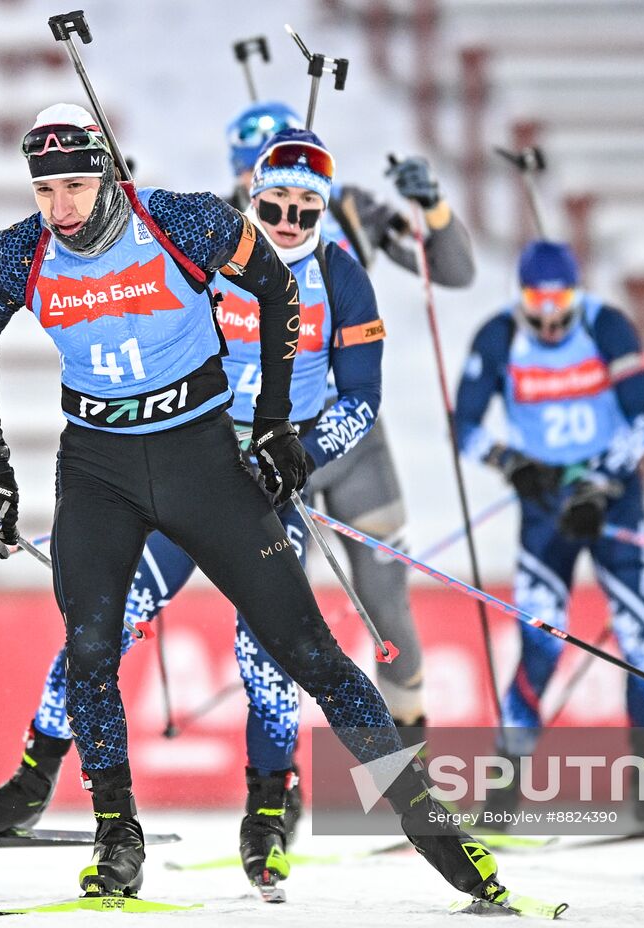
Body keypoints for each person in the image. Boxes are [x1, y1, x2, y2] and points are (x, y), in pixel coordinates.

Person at [0, 101, 508, 905]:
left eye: (75, 185)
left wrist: (280, 424)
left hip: (204, 460)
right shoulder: (21, 250)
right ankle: (116, 835)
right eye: (46, 192)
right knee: (93, 645)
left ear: (106, 172)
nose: (61, 208)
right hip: (98, 465)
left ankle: (430, 828)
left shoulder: (181, 219)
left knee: (309, 651)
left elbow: (279, 288)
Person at [225, 100, 477, 740]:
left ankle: (416, 787)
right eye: (251, 179)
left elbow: (452, 271)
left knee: (387, 606)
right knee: (281, 617)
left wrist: (435, 209)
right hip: (267, 448)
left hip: (351, 436)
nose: (286, 214)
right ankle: (281, 791)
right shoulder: (216, 231)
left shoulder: (345, 212)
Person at [453, 240, 644, 827]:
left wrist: (602, 483)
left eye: (560, 304)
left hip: (612, 502)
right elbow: (467, 426)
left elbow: (642, 417)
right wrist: (510, 461)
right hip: (545, 504)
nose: (550, 319)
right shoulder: (498, 336)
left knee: (642, 641)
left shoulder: (608, 326)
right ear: (520, 296)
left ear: (576, 294)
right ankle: (503, 795)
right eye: (537, 304)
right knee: (540, 644)